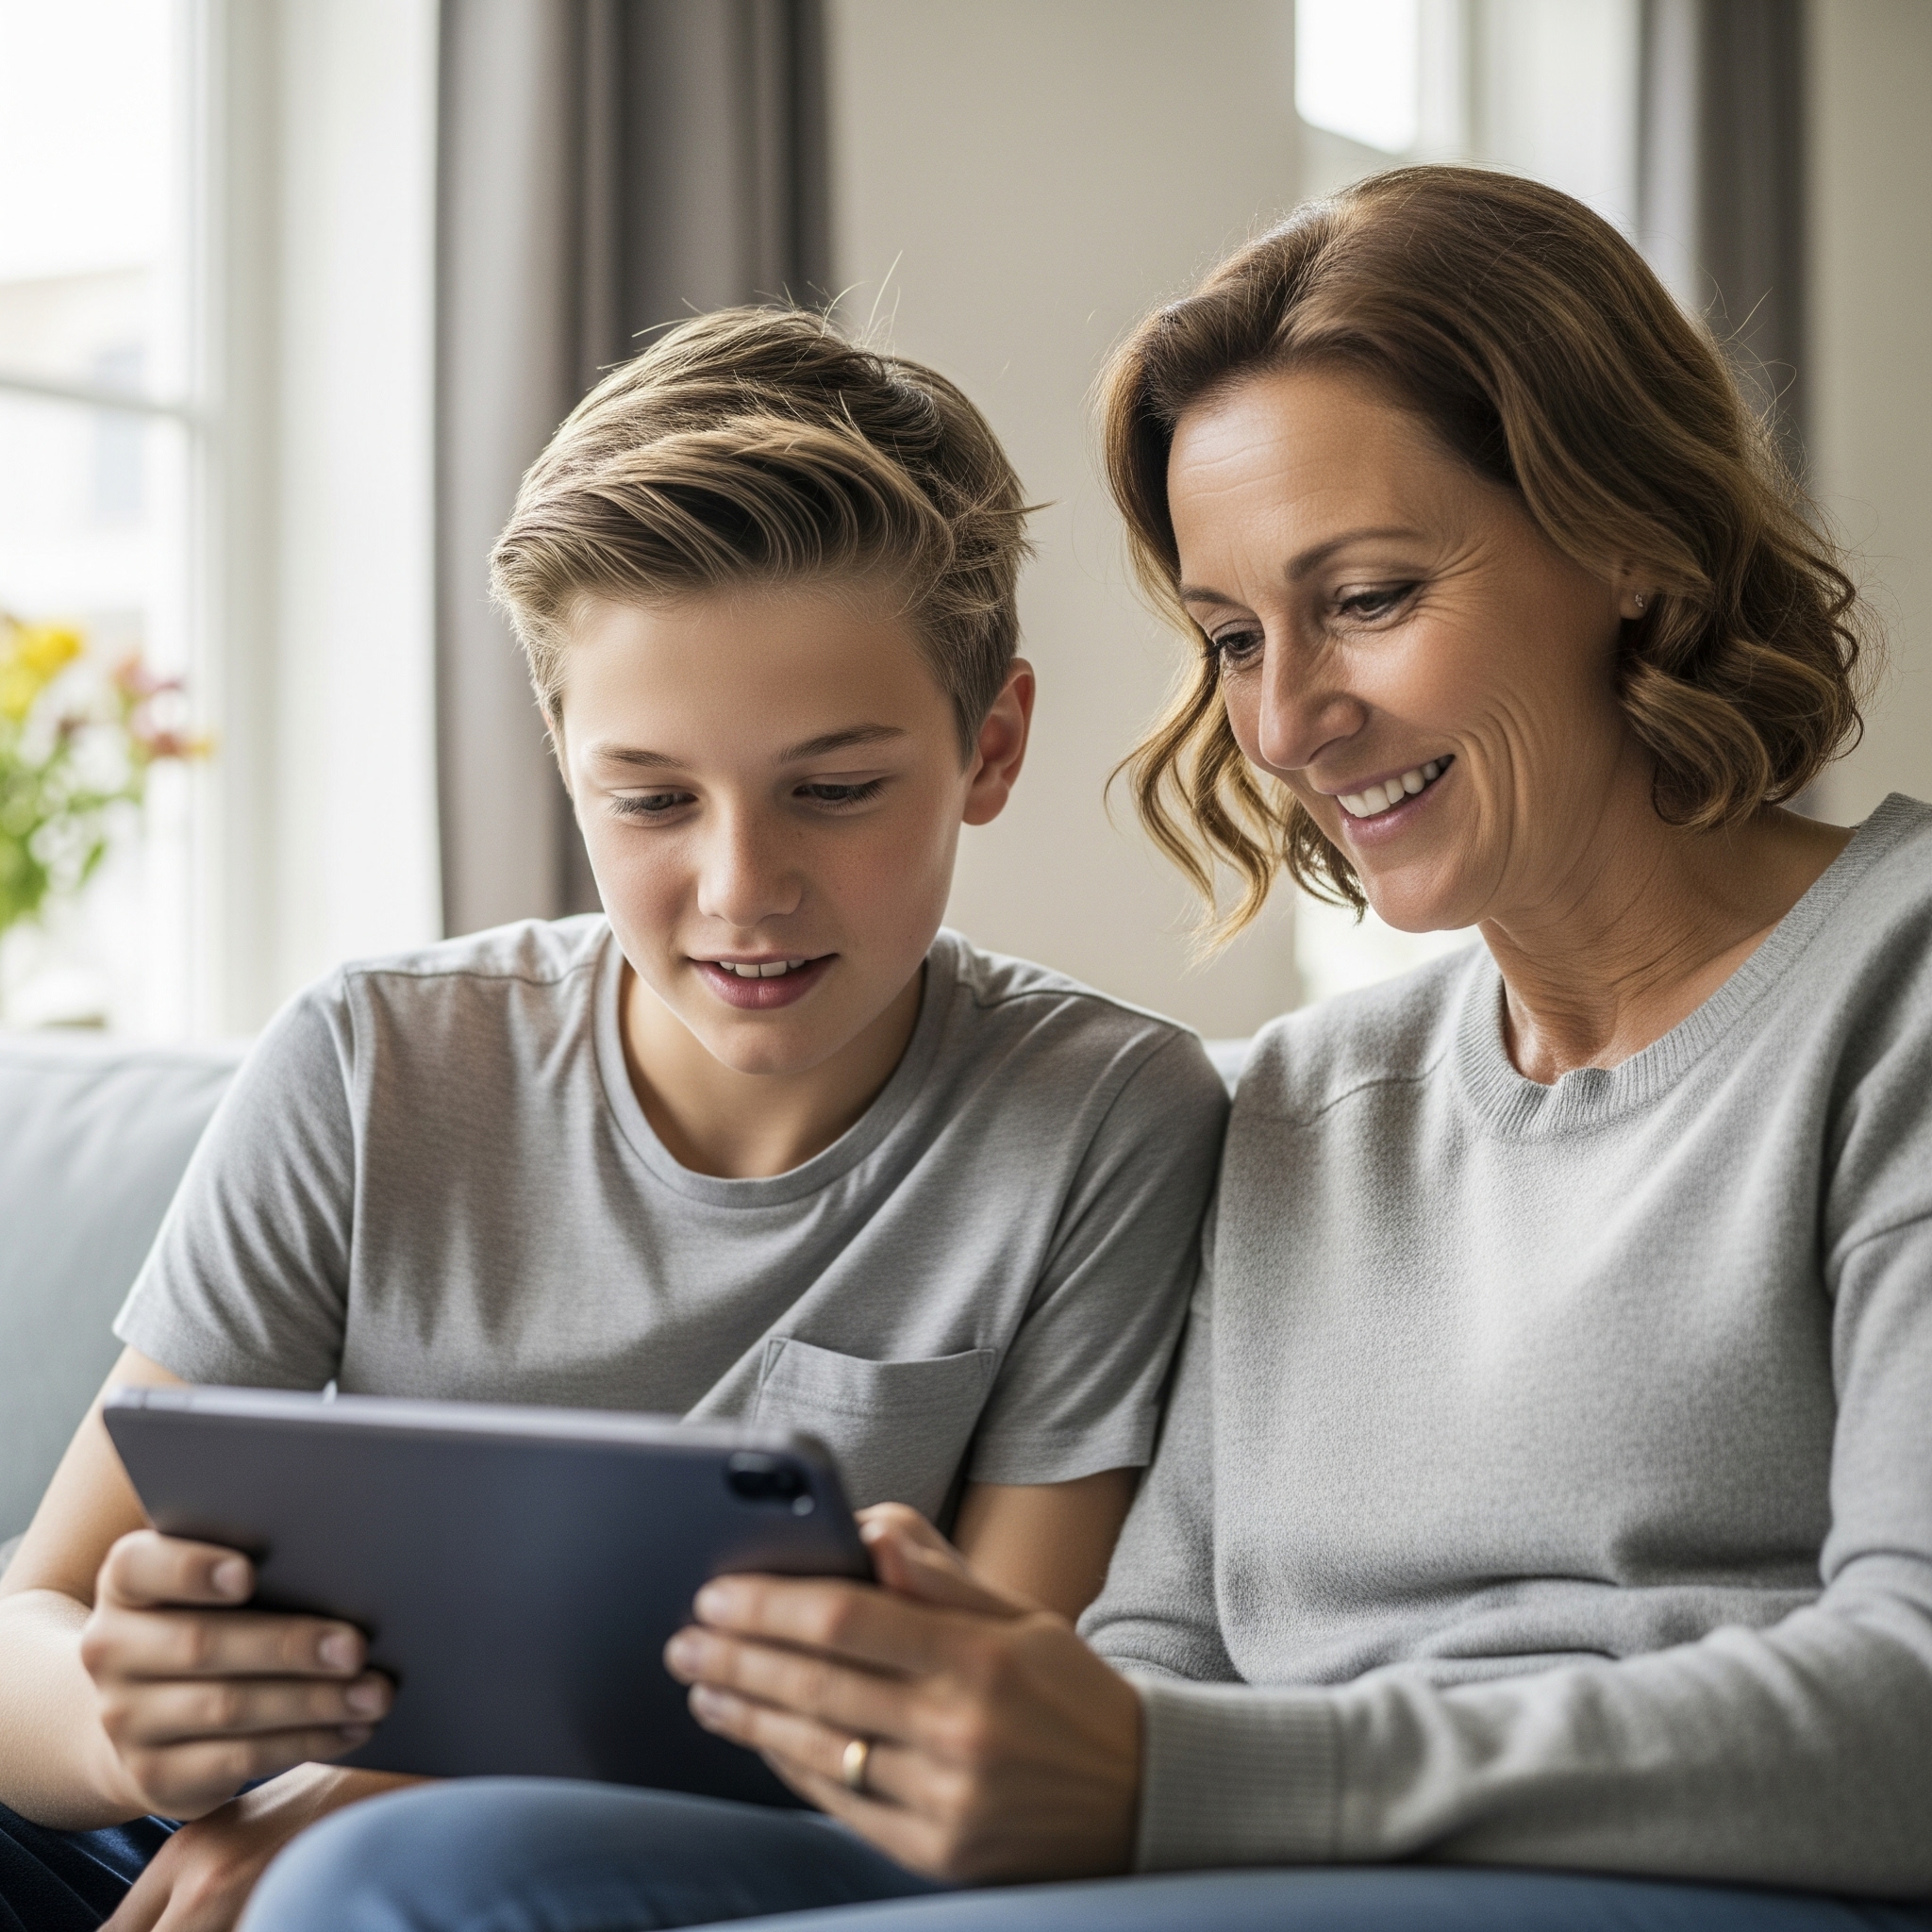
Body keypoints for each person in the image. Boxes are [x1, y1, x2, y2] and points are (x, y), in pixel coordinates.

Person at [242, 165, 1932, 1932]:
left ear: (1637, 551)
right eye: (1228, 638)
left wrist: (1185, 1782)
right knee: (421, 1870)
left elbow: (1906, 1716)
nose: (1284, 722)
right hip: (1245, 1864)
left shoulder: (1891, 991)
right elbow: (1153, 1645)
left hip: (1693, 1876)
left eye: (1362, 599)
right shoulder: (1293, 1109)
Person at [0, 308, 1229, 1931]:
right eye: (651, 799)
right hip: (202, 1834)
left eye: (836, 788)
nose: (742, 889)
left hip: (623, 1855)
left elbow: (988, 1721)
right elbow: (37, 1613)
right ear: (565, 759)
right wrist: (135, 1733)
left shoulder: (1103, 1117)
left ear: (987, 746)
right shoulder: (374, 1063)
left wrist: (376, 1795)